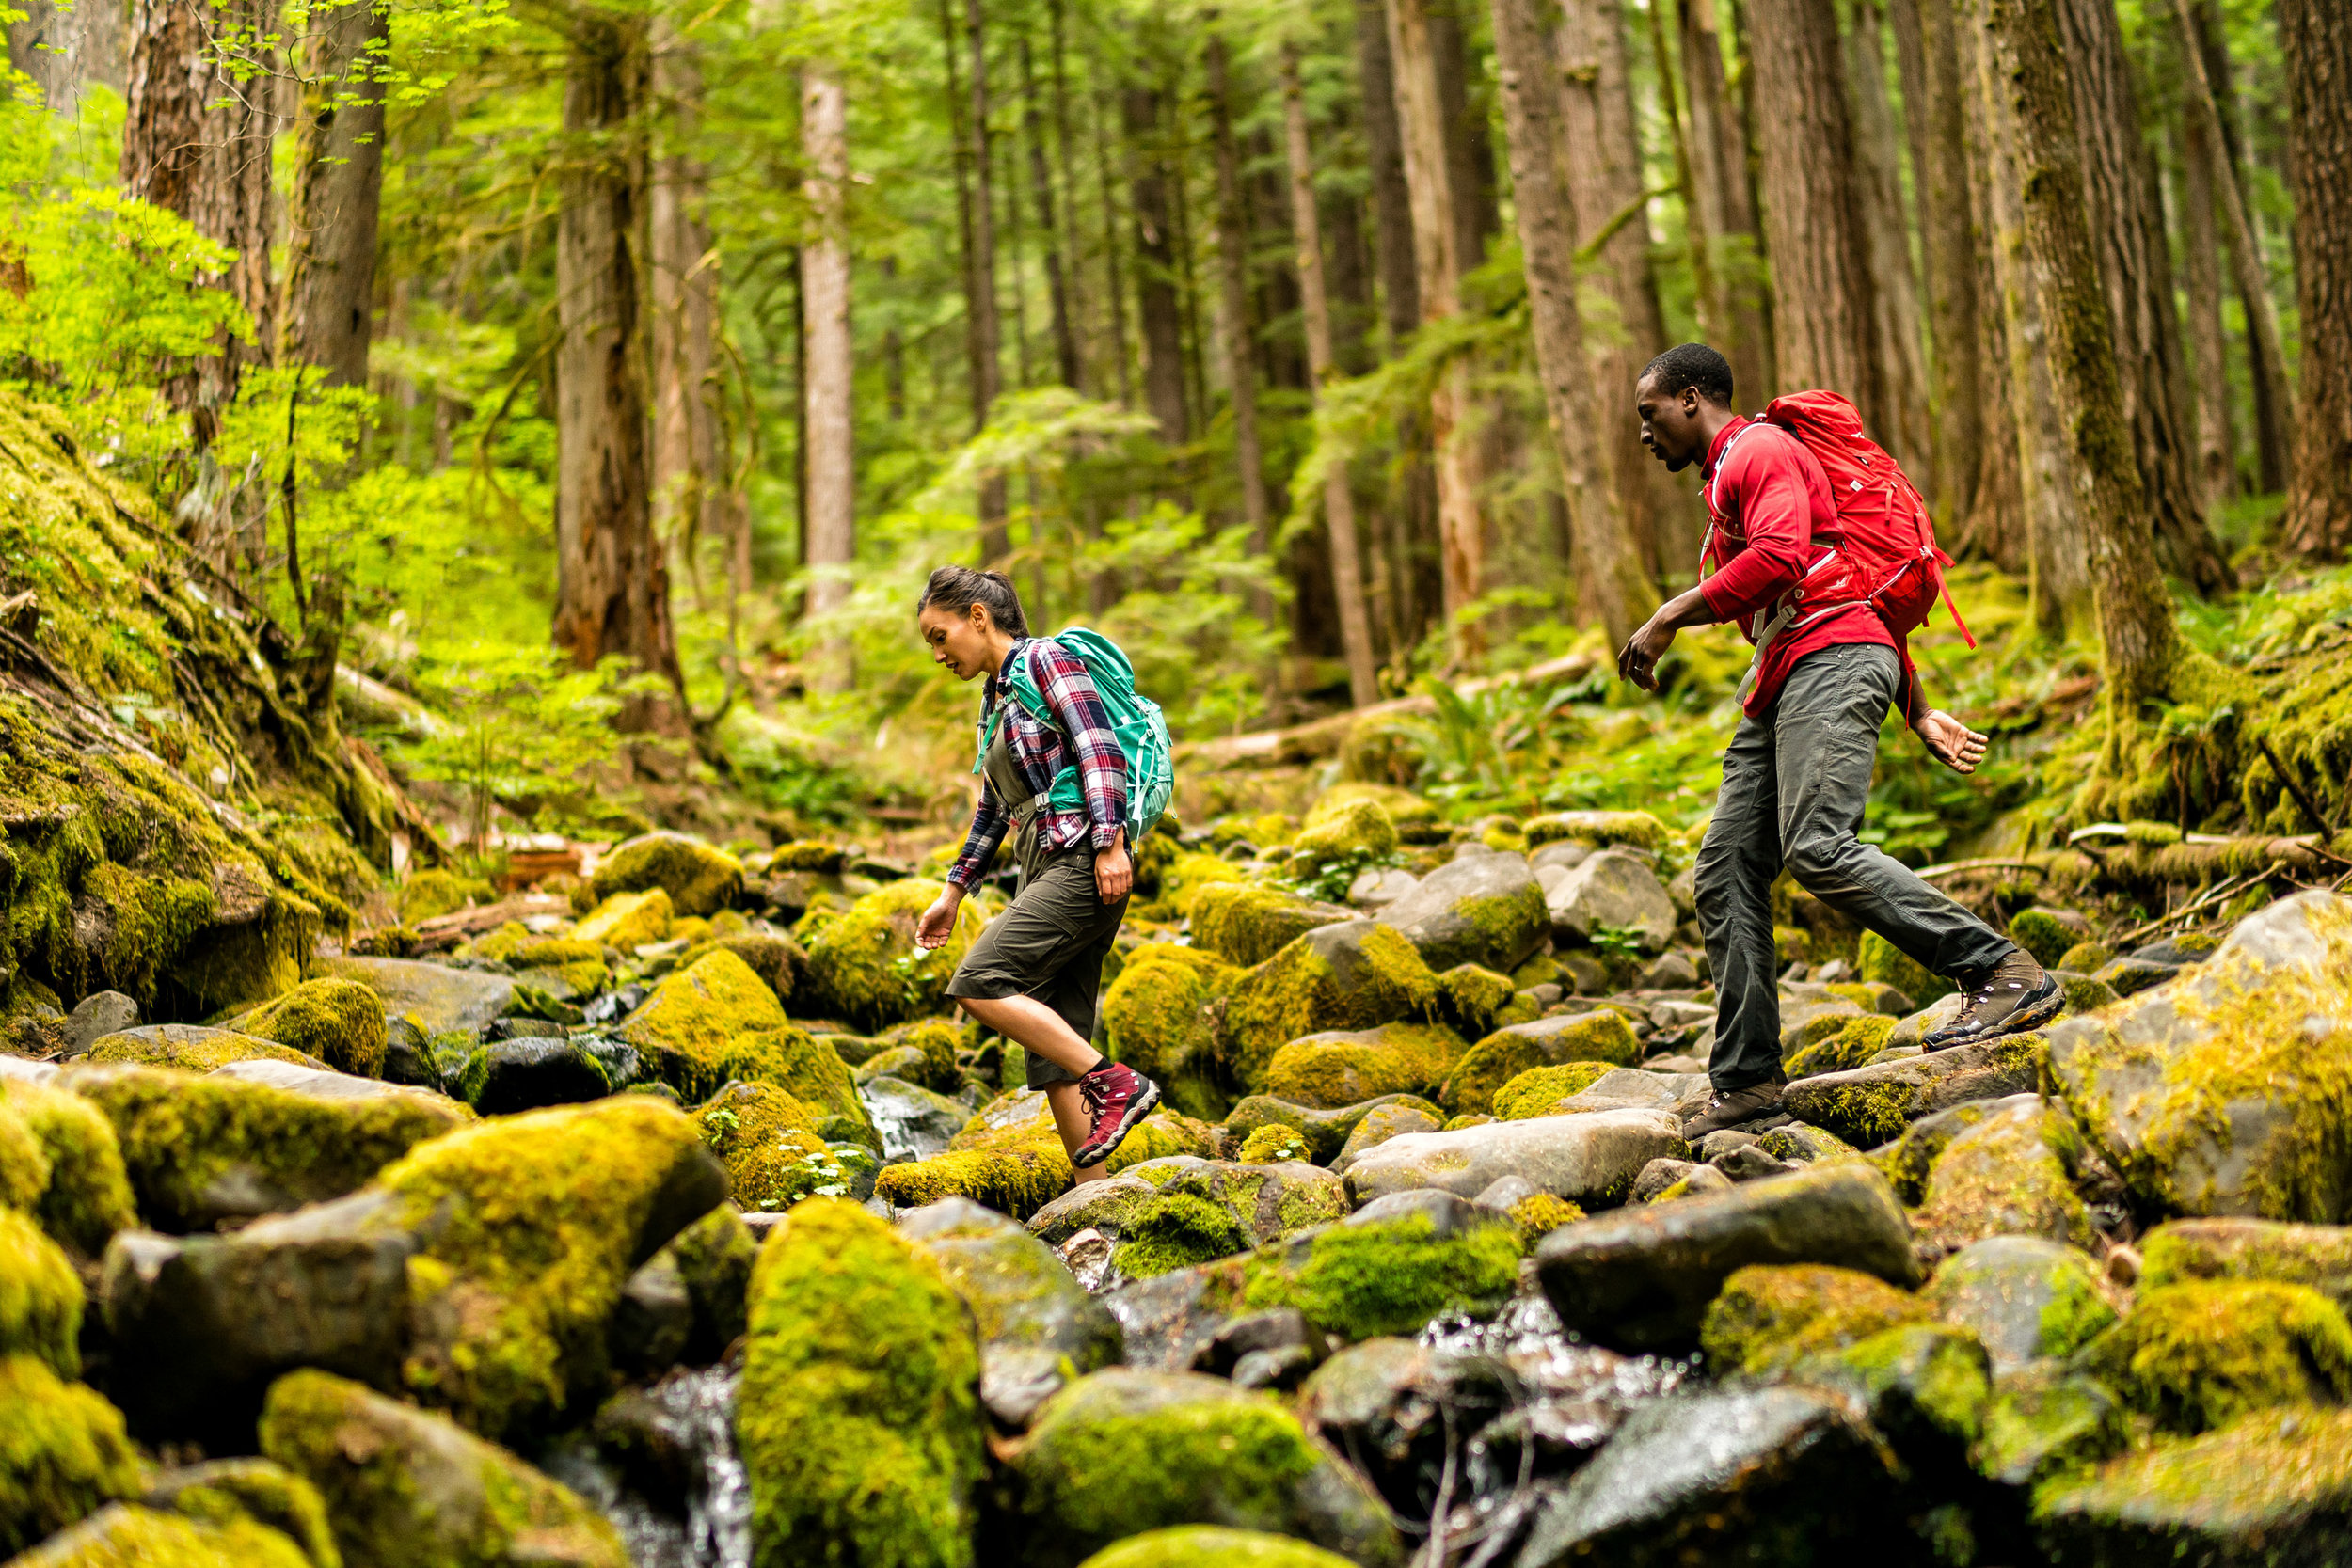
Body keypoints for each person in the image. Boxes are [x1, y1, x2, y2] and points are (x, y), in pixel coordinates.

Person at [1618, 344, 2060, 1139]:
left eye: (1649, 415)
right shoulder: (1727, 478)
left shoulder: (1757, 449)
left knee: (1817, 845)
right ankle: (1747, 1080)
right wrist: (1916, 705)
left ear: (1690, 399)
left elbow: (1784, 557)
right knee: (1725, 866)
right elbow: (1835, 580)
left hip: (1830, 660)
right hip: (1793, 669)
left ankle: (2000, 970)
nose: (1643, 435)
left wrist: (1665, 617)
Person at [912, 566, 1162, 1176]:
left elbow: (1098, 746)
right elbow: (996, 805)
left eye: (940, 636)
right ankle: (1094, 1210)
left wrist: (1110, 844)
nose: (938, 654)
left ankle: (1116, 1083)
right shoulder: (998, 697)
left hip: (1082, 857)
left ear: (977, 616)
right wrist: (953, 892)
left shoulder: (1047, 661)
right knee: (1054, 1054)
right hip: (1045, 861)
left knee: (979, 978)